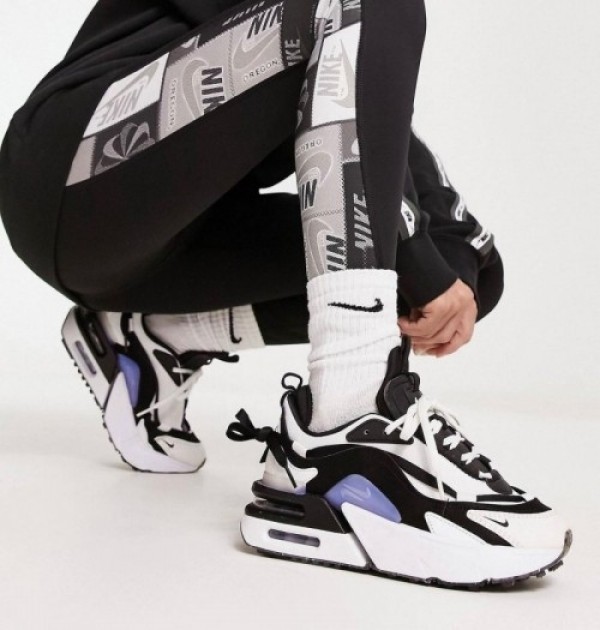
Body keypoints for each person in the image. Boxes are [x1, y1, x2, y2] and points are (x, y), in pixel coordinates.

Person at [0, 0, 570, 587]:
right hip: (74, 166)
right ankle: (346, 424)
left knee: (462, 274)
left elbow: (363, 95)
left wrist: (446, 261)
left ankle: (151, 336)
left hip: (181, 240)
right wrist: (416, 256)